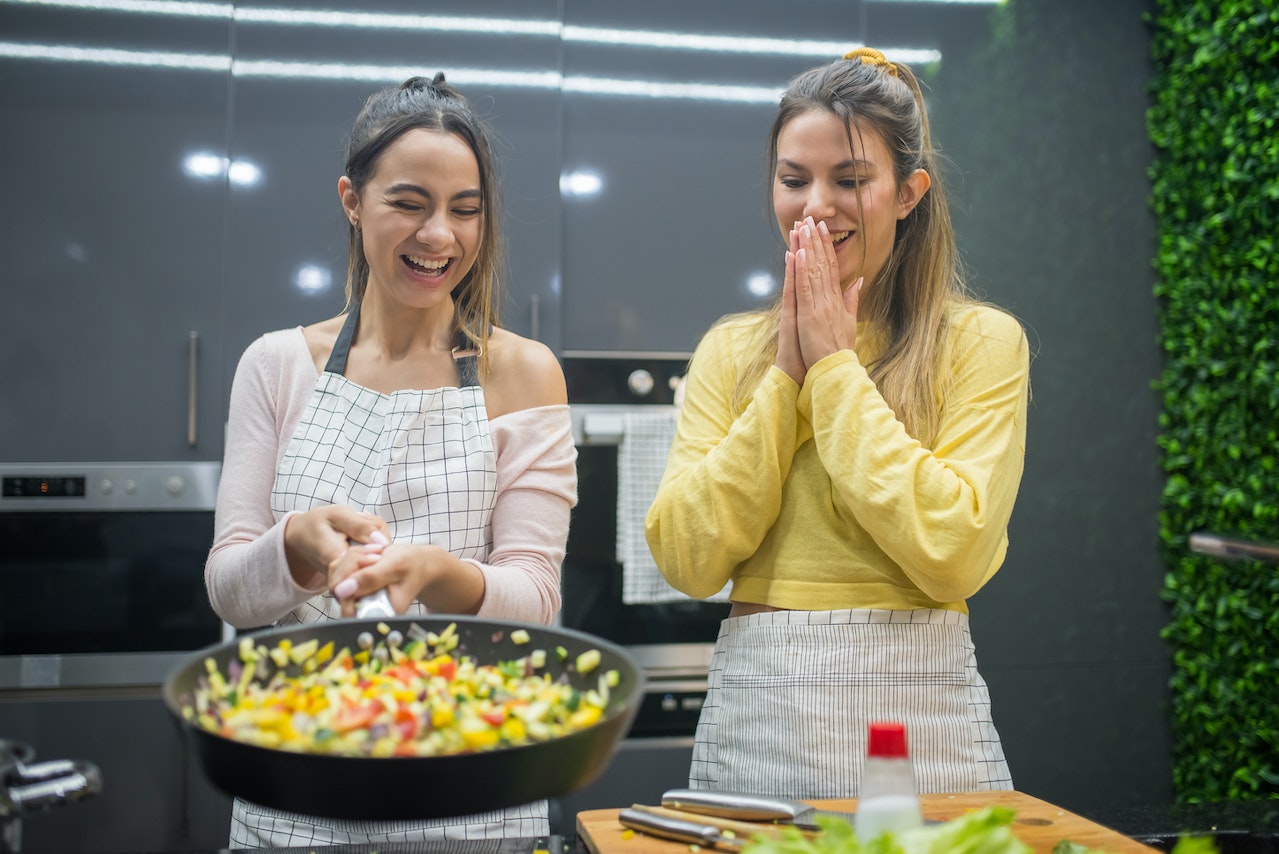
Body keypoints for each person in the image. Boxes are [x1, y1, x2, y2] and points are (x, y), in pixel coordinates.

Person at [645, 48, 1030, 798]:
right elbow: (687, 557)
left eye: (850, 180)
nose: (815, 204)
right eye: (793, 180)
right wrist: (786, 376)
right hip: (765, 705)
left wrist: (830, 369)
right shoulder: (731, 350)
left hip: (924, 713)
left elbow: (954, 552)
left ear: (908, 192)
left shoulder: (982, 342)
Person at [205, 74, 577, 847]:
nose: (439, 235)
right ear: (352, 200)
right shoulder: (275, 365)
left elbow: (537, 600)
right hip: (297, 786)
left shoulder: (524, 371)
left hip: (474, 790)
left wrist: (433, 574)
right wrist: (295, 548)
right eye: (408, 204)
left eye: (465, 210)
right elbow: (230, 592)